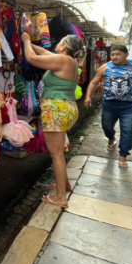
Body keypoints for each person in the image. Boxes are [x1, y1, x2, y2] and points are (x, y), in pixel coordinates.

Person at [22, 33, 85, 208]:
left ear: (64, 46)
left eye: (60, 42)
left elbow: (32, 58)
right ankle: (64, 185)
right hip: (66, 108)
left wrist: (26, 41)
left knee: (56, 154)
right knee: (60, 151)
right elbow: (42, 52)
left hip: (56, 109)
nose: (57, 44)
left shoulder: (63, 60)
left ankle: (61, 198)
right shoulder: (70, 61)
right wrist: (28, 41)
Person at [84, 44, 132, 168]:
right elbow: (94, 82)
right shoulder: (105, 67)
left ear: (126, 55)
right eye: (112, 54)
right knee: (106, 126)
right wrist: (88, 96)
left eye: (118, 54)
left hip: (130, 105)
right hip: (109, 104)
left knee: (127, 129)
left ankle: (123, 156)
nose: (115, 57)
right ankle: (111, 138)